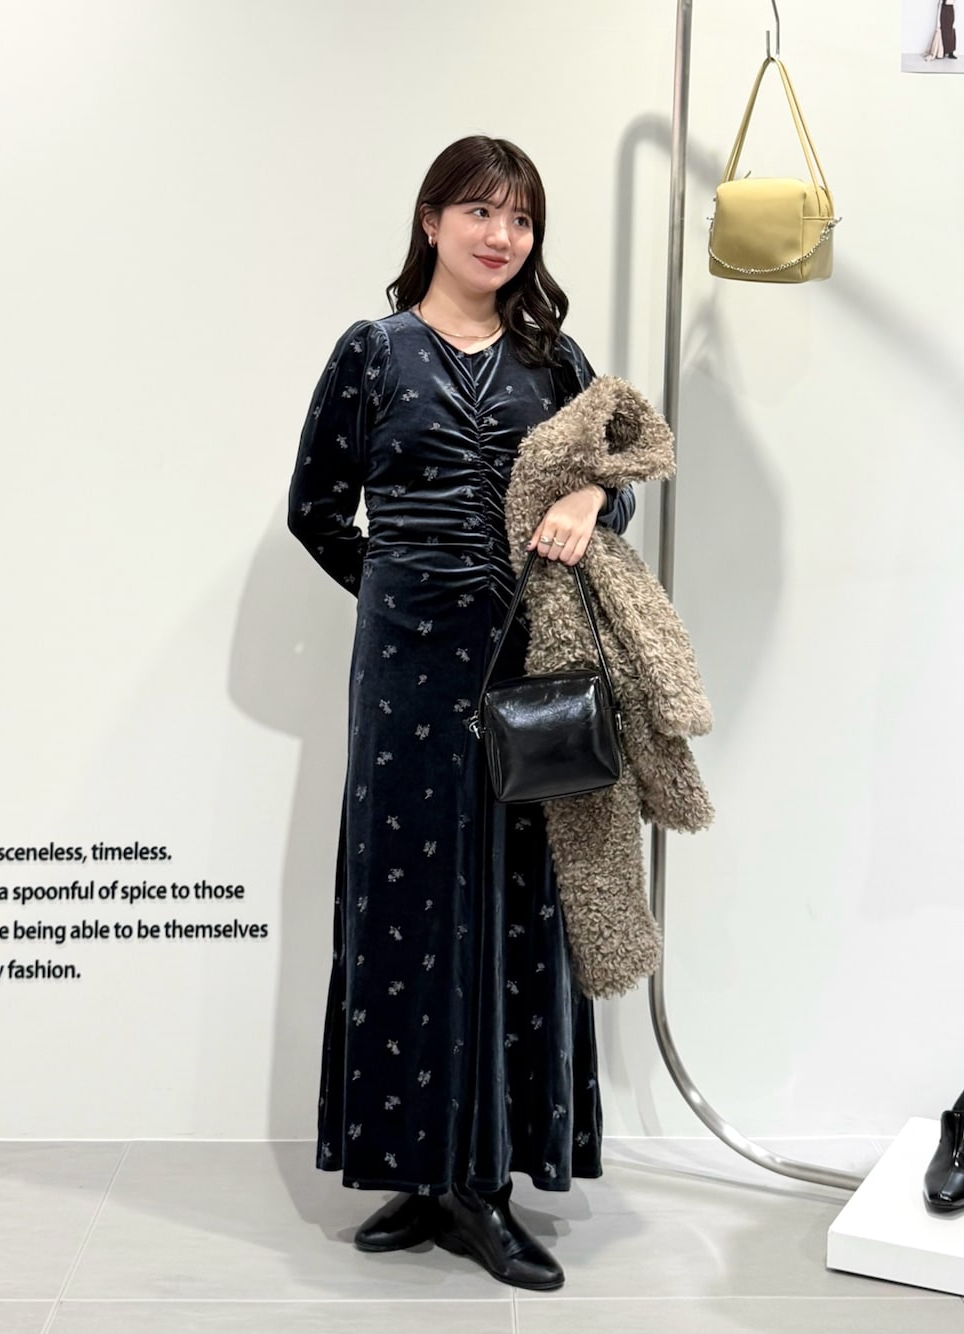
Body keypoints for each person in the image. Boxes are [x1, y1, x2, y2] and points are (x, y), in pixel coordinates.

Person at [287, 135, 634, 1292]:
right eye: (480, 211)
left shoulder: (552, 358)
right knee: (404, 903)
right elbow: (315, 507)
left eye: (521, 218)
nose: (502, 235)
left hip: (530, 661)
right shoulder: (372, 351)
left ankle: (486, 1178)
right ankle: (423, 1169)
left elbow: (620, 478)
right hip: (405, 674)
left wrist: (590, 492)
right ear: (431, 220)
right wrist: (402, 588)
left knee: (517, 898)